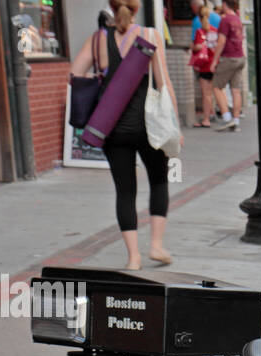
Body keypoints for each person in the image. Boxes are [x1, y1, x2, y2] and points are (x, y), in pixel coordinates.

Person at [70, 0, 180, 270]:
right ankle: (156, 246)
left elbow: (74, 74)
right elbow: (162, 81)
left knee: (125, 191)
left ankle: (133, 258)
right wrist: (174, 123)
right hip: (148, 126)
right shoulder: (150, 36)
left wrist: (103, 77)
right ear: (135, 7)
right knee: (158, 182)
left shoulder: (97, 40)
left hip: (111, 128)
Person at [209, 0, 246, 131]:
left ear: (225, 4)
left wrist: (214, 61)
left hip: (228, 58)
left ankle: (227, 118)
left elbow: (221, 42)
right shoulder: (237, 19)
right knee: (236, 90)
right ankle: (236, 120)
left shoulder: (225, 20)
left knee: (216, 87)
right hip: (240, 57)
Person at [189, 0, 220, 127]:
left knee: (205, 93)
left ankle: (206, 119)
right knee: (211, 92)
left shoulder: (199, 29)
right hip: (214, 62)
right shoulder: (215, 28)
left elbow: (196, 46)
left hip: (204, 64)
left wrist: (193, 47)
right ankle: (212, 112)